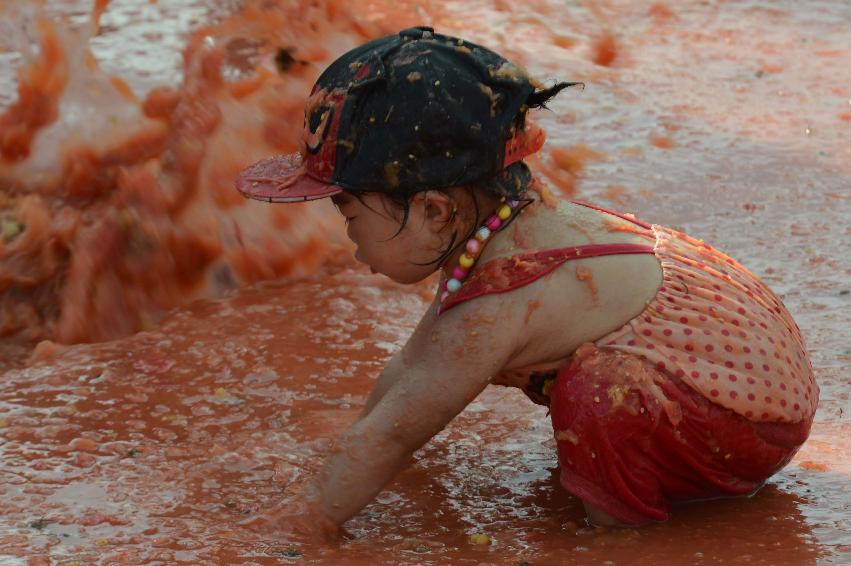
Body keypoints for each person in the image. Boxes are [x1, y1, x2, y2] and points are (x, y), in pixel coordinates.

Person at [234, 26, 818, 534]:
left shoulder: (502, 296)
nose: (350, 240)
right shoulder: (504, 233)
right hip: (745, 374)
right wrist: (360, 429)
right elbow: (413, 368)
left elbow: (399, 432)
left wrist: (309, 517)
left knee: (596, 393)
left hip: (741, 422)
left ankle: (623, 532)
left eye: (349, 215)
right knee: (585, 383)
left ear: (436, 210)